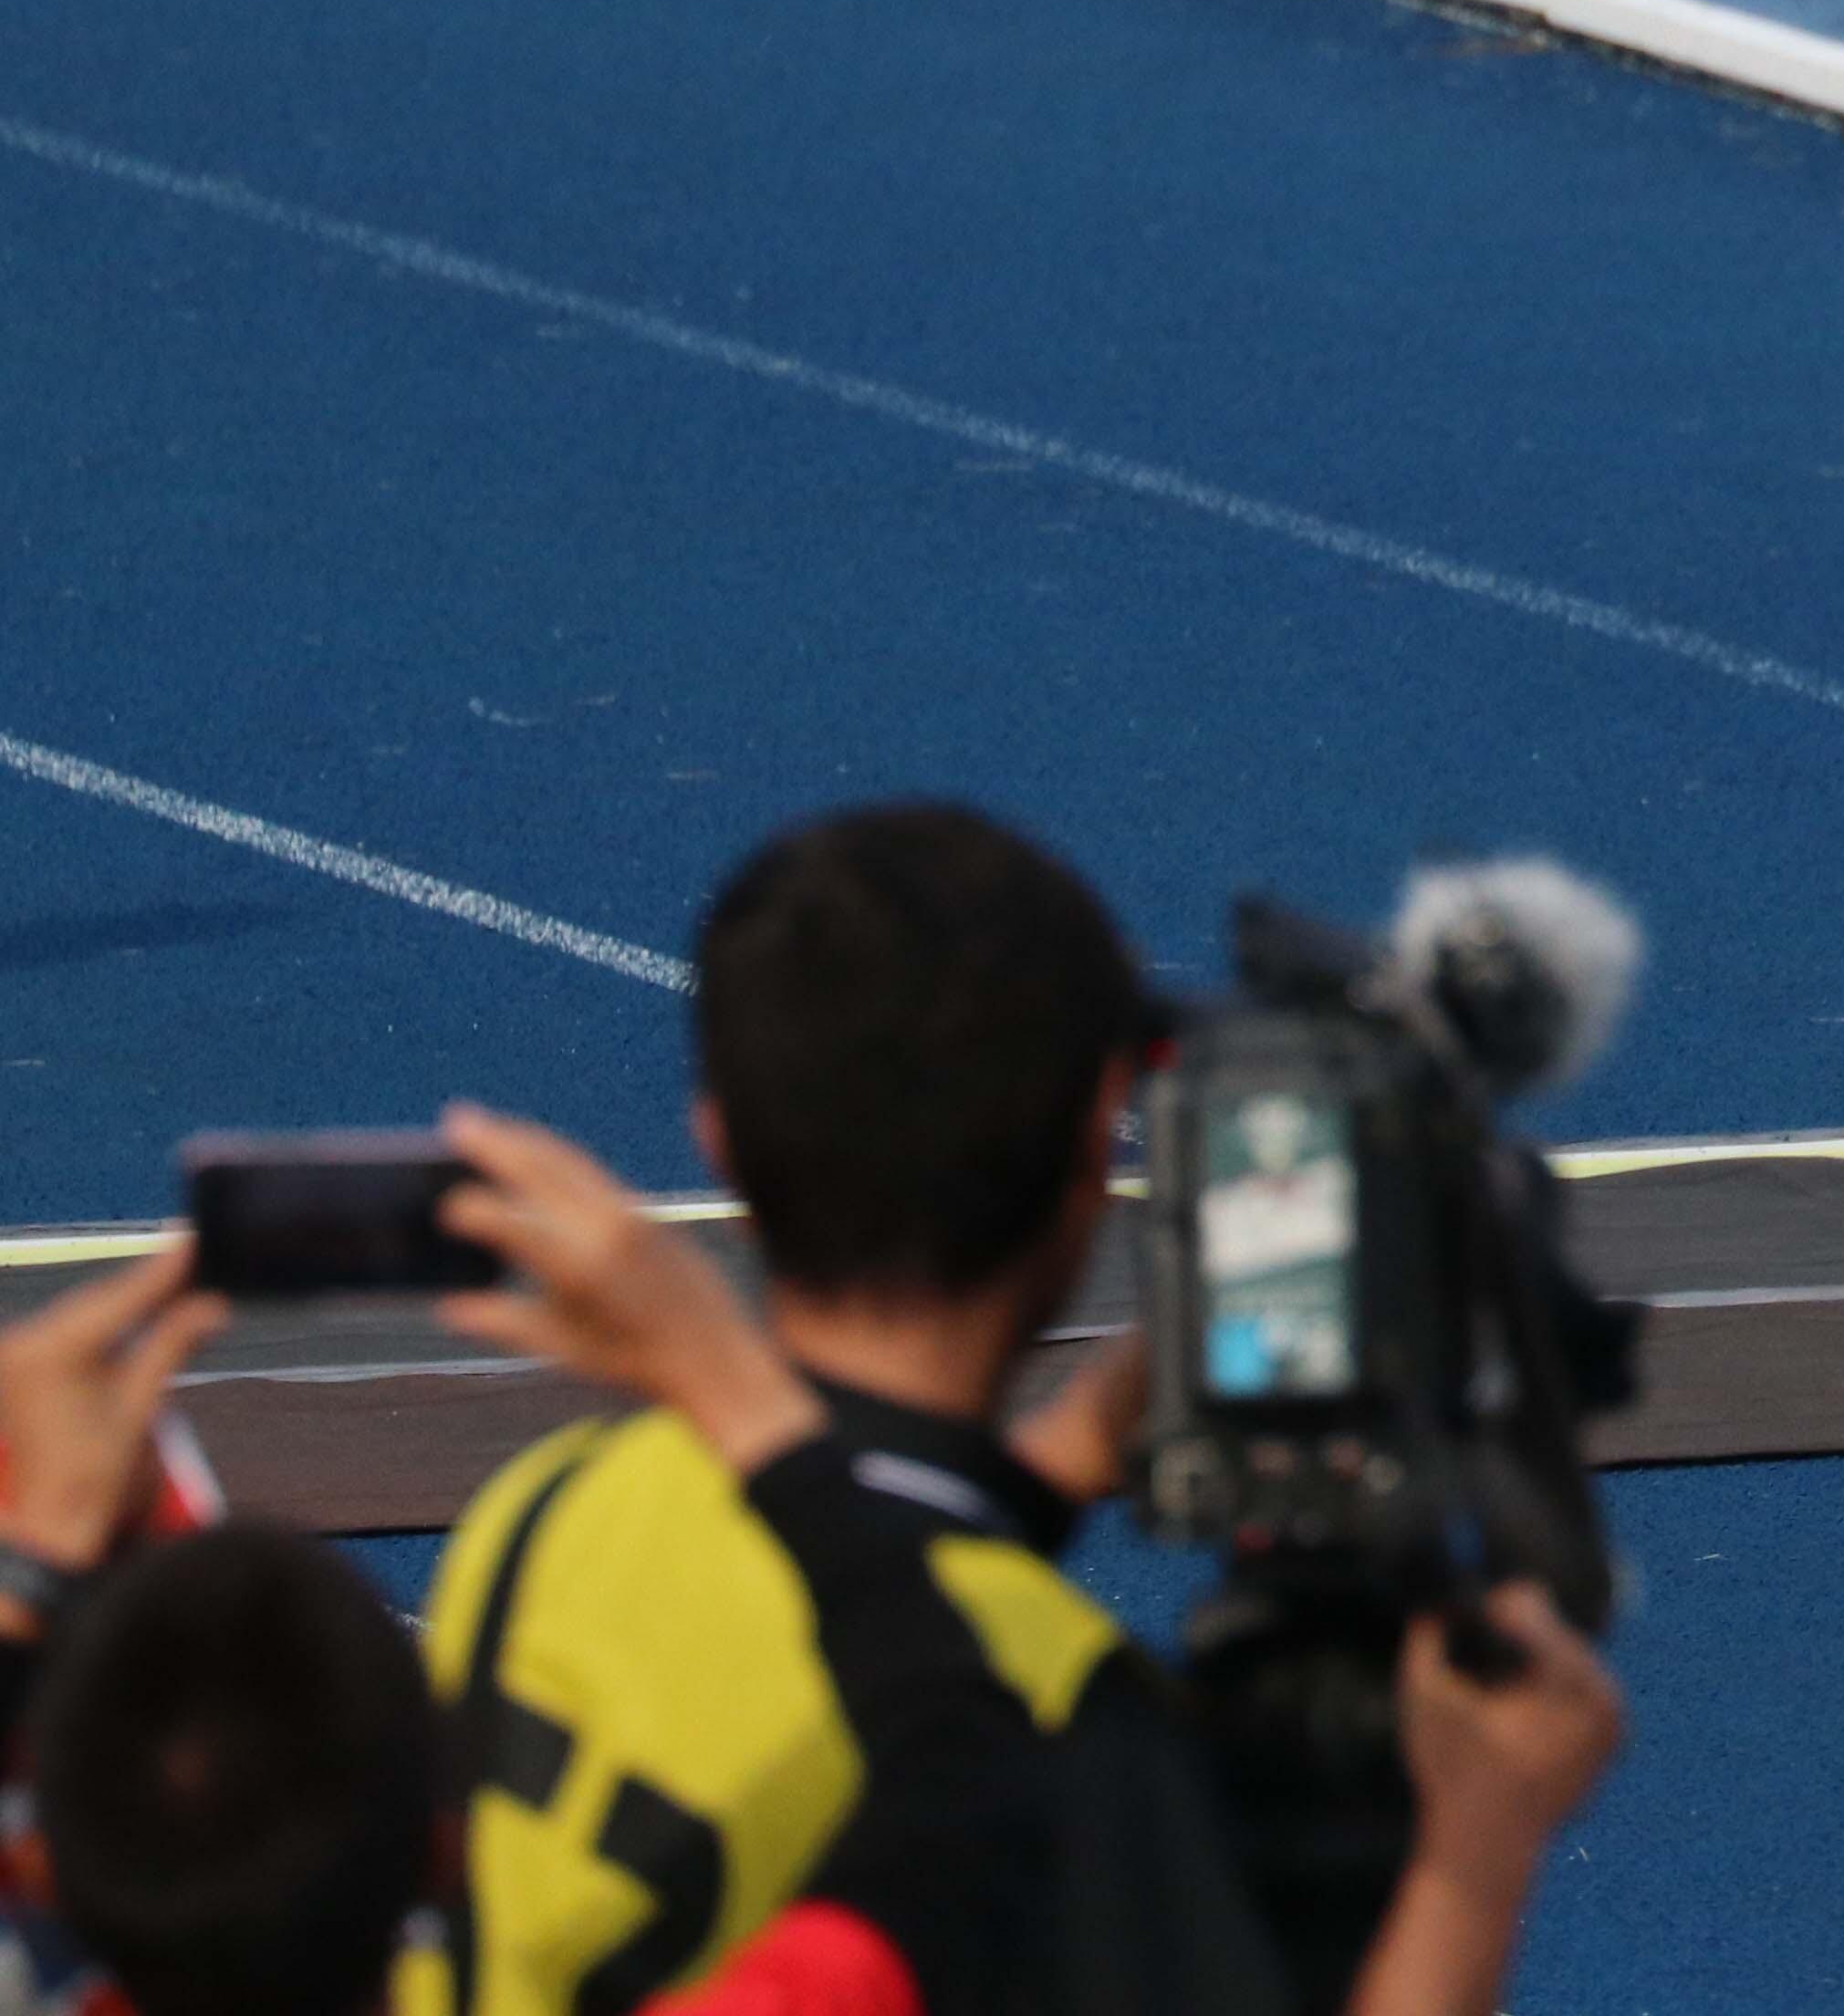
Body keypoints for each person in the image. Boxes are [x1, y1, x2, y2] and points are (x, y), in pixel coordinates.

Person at [422, 799, 1622, 2012]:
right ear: (1100, 1147)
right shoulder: (1065, 1730)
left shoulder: (546, 1509)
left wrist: (1066, 1452)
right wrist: (1477, 1852)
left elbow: (843, 1574)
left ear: (718, 1144)